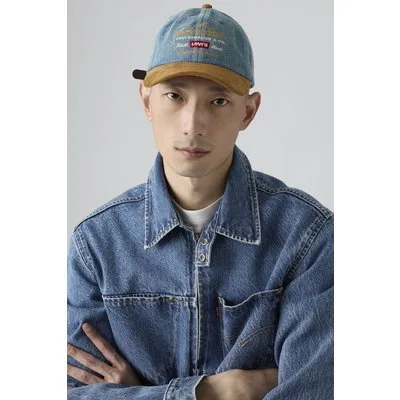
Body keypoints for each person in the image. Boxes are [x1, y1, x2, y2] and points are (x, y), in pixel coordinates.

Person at [67, 4, 333, 399]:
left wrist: (138, 393)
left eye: (218, 101)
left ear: (249, 111)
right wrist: (212, 392)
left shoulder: (307, 237)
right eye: (174, 95)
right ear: (146, 101)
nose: (192, 124)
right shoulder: (97, 245)